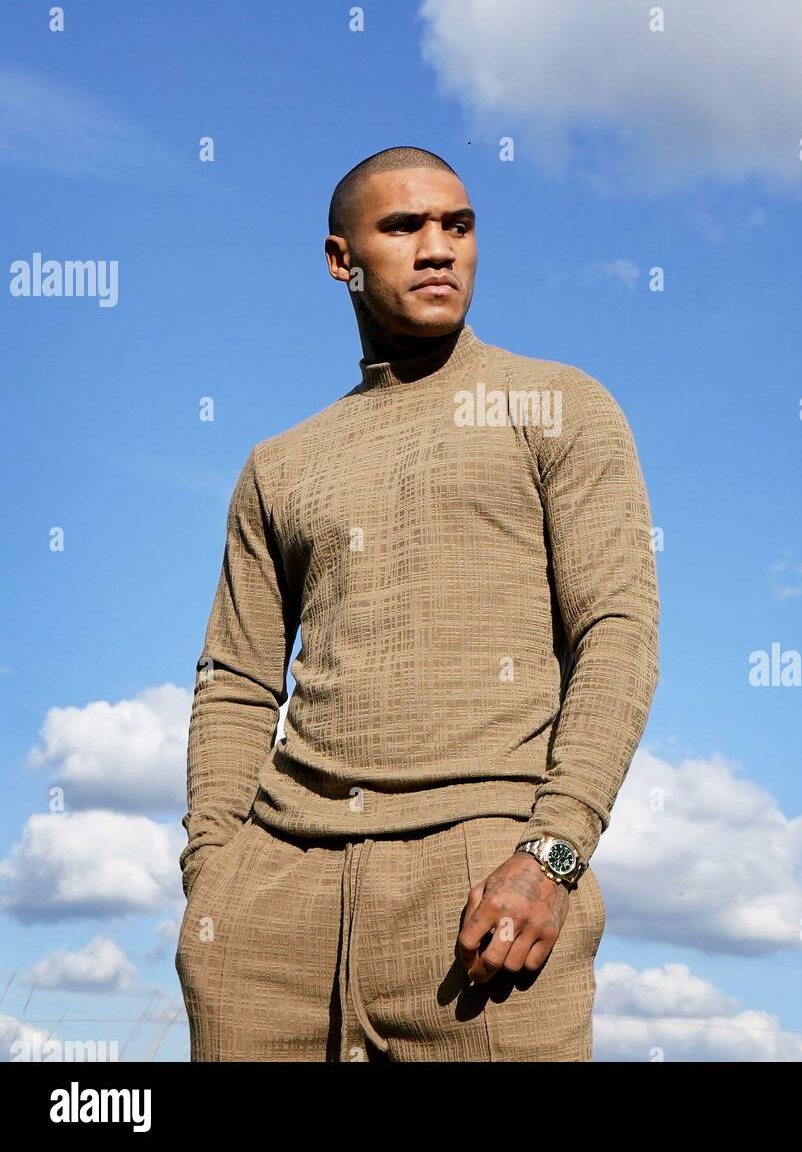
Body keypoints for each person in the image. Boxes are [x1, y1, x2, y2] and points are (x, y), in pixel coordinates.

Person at [175, 145, 660, 1061]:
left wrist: (551, 857)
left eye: (458, 225)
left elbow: (618, 636)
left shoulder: (558, 405)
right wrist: (214, 876)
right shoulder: (279, 462)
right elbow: (235, 680)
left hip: (487, 893)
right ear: (339, 258)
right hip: (273, 904)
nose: (438, 248)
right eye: (403, 227)